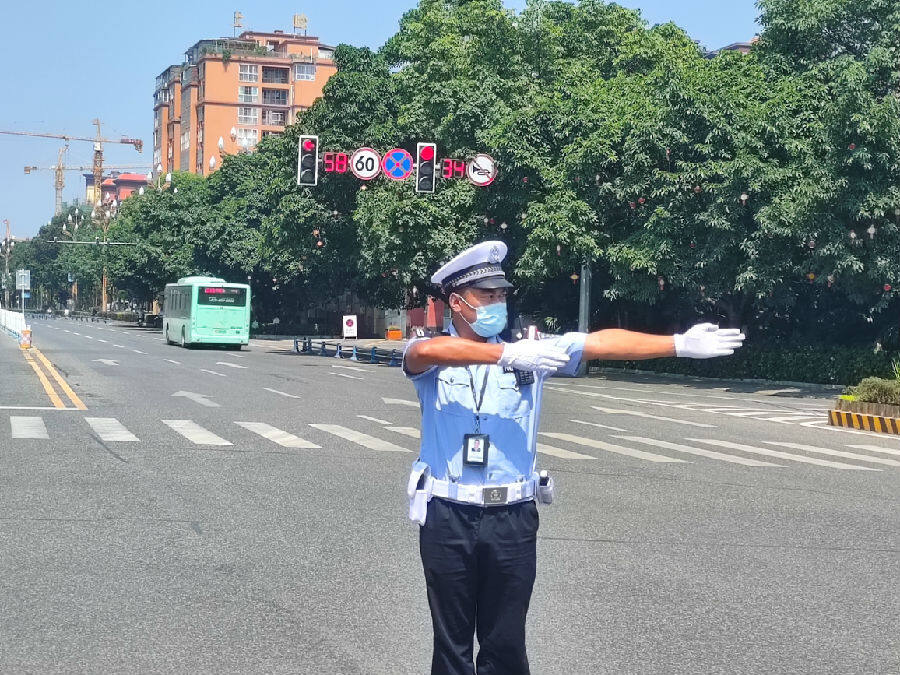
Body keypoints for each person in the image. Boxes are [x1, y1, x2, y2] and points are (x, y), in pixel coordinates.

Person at [403, 241, 744, 675]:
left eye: (502, 295)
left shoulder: (535, 351)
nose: (498, 303)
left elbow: (600, 342)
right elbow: (423, 354)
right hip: (448, 516)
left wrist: (677, 344)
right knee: (451, 649)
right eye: (487, 296)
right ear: (457, 302)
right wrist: (503, 353)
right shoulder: (438, 353)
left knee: (506, 646)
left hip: (512, 516)